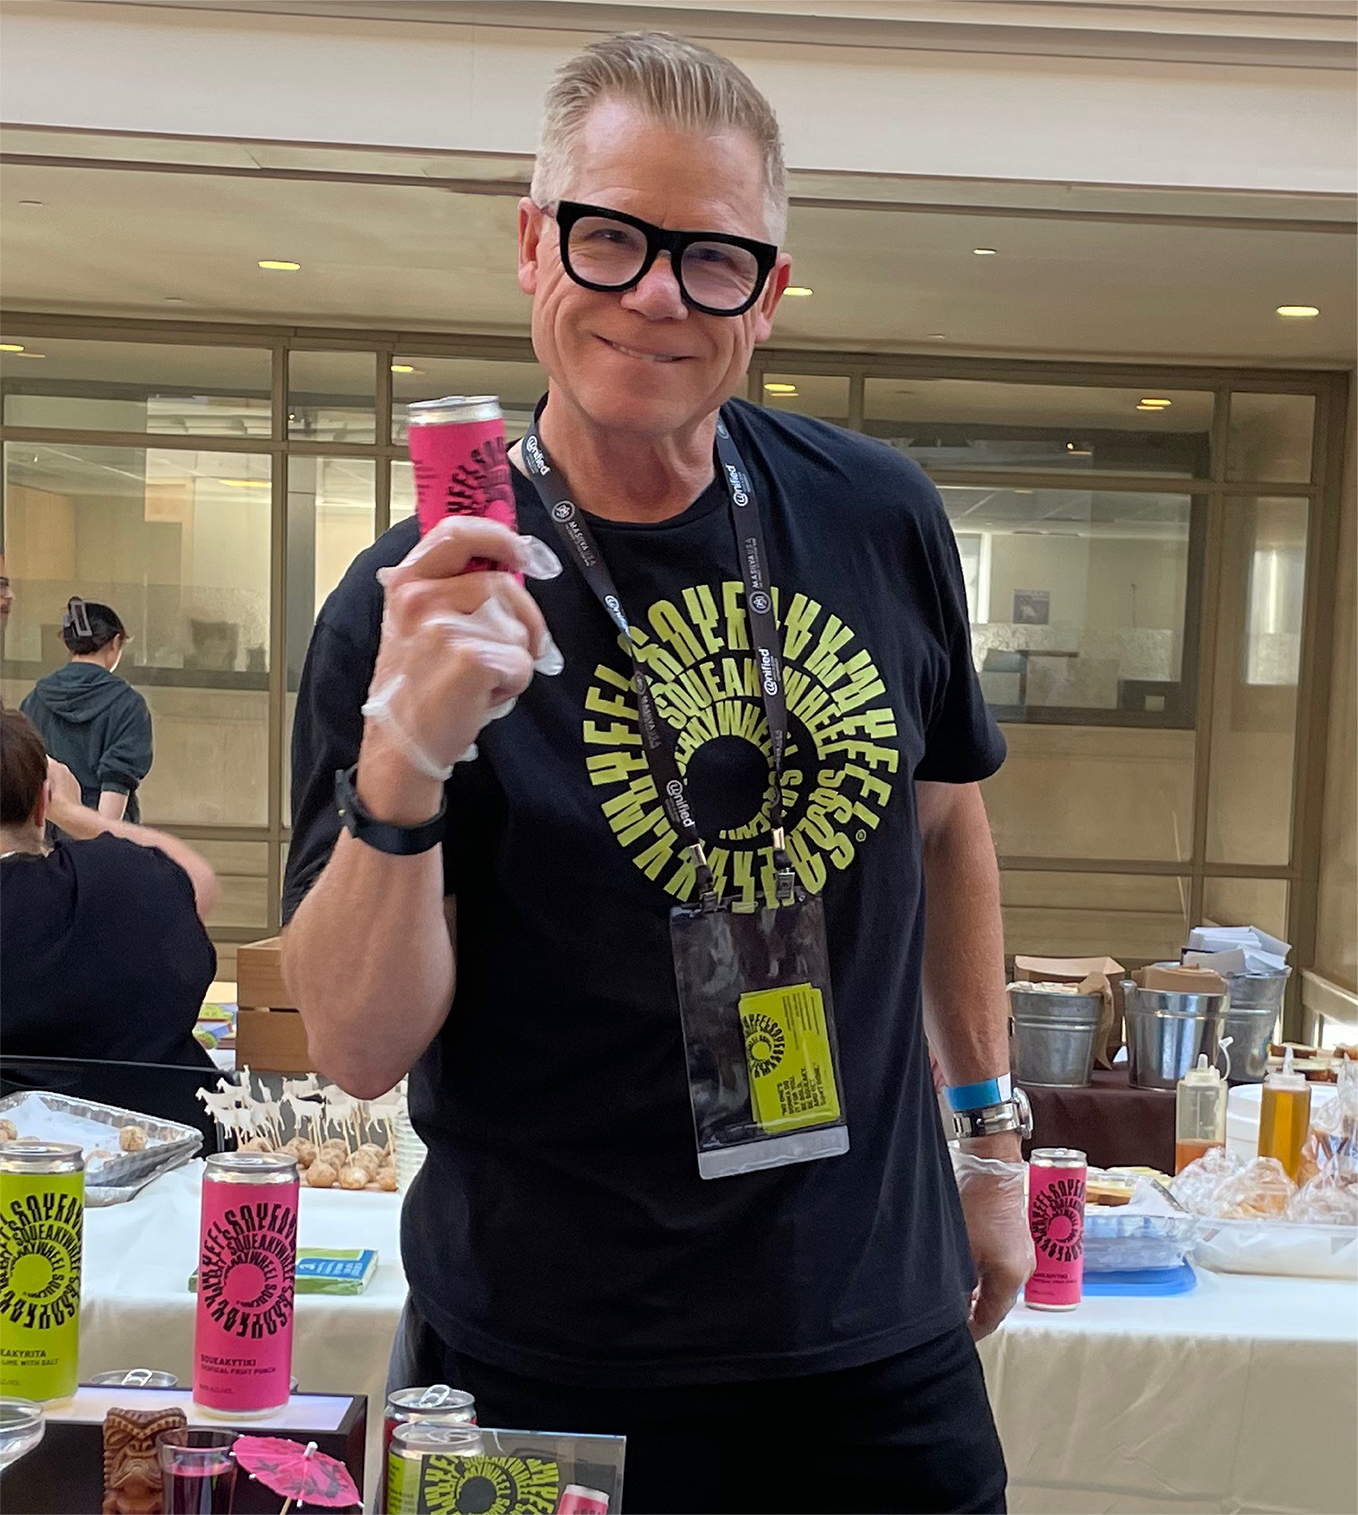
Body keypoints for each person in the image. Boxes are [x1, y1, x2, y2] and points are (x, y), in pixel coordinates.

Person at [284, 32, 1031, 1515]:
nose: (655, 295)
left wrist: (990, 1137)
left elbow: (948, 825)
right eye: (611, 236)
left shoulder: (877, 515)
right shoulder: (412, 600)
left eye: (712, 257)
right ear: (531, 242)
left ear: (769, 289)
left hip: (871, 1333)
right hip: (536, 1356)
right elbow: (357, 1048)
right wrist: (406, 758)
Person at [0, 707, 217, 1067]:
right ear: (41, 806)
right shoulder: (119, 879)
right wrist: (70, 810)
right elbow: (196, 878)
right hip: (153, 1102)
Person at [21, 596, 153, 824]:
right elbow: (118, 778)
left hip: (47, 824)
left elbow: (24, 770)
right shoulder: (129, 704)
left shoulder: (35, 700)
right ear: (115, 642)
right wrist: (99, 836)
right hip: (103, 830)